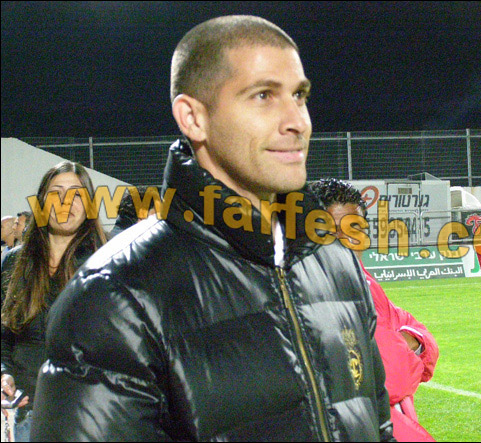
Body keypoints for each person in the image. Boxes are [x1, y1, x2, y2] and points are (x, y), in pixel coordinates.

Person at [31, 15, 394, 441]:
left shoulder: (334, 260)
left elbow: (378, 426)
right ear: (193, 118)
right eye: (263, 96)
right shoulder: (114, 296)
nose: (297, 121)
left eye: (299, 95)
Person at [310, 178, 439, 442]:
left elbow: (424, 341)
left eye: (355, 228)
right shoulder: (313, 290)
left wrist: (413, 343)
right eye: (333, 230)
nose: (347, 239)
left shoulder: (364, 281)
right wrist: (408, 347)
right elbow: (393, 379)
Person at [1, 161, 108, 441]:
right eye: (56, 193)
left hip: (84, 419)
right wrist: (3, 375)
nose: (65, 202)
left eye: (76, 194)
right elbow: (3, 337)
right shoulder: (14, 262)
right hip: (21, 417)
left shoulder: (108, 263)